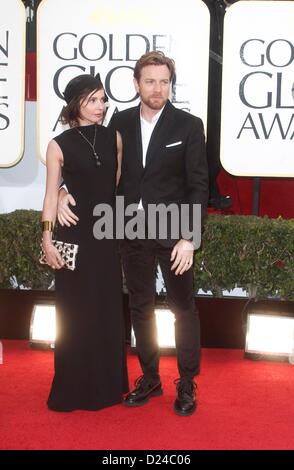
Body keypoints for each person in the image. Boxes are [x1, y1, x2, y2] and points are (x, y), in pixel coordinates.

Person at [58, 52, 209, 416]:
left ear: (171, 84)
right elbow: (88, 163)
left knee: (182, 308)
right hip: (129, 230)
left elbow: (199, 185)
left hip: (174, 232)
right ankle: (151, 377)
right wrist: (63, 189)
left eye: (164, 81)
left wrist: (190, 237)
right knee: (141, 307)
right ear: (136, 84)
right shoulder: (119, 124)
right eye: (150, 81)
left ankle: (187, 382)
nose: (158, 89)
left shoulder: (189, 126)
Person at [41, 73, 129, 411]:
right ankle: (73, 387)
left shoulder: (114, 138)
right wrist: (47, 239)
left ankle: (107, 387)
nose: (102, 106)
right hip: (73, 236)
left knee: (105, 311)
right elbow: (50, 195)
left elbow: (114, 185)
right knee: (74, 313)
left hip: (105, 238)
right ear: (76, 103)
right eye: (93, 100)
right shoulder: (58, 145)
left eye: (103, 100)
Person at [203, 0, 235, 210]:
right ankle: (206, 190)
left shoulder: (229, 7)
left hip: (225, 74)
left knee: (216, 132)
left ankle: (208, 188)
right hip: (201, 71)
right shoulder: (203, 5)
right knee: (207, 130)